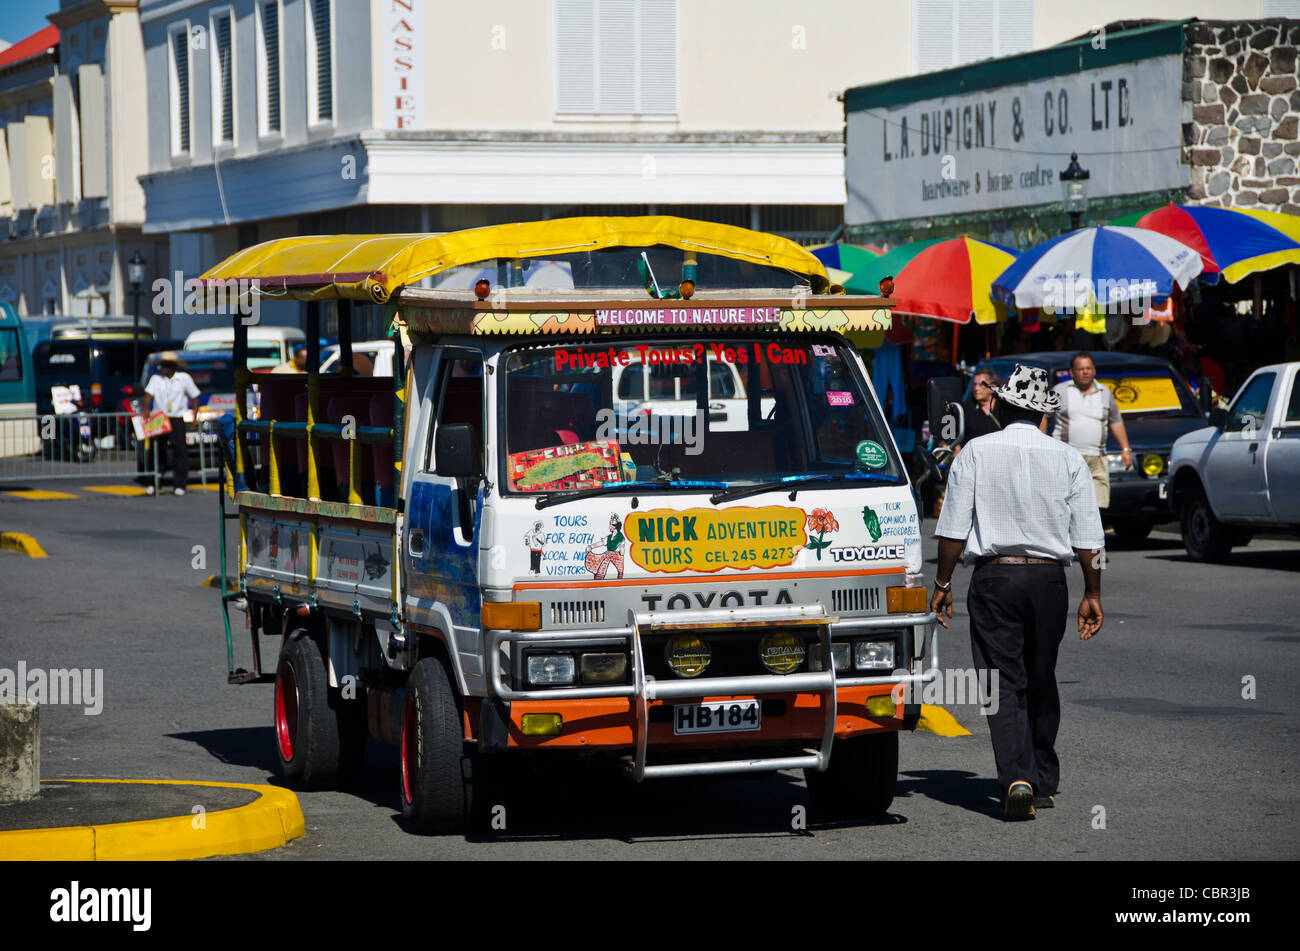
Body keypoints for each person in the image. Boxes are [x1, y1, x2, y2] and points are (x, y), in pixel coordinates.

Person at [931, 364, 1105, 821]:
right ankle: (1042, 779)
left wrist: (943, 583)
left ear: (1002, 408)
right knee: (1041, 674)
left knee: (1000, 682)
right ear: (1044, 416)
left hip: (994, 579)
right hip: (1049, 582)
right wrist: (1092, 592)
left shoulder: (975, 453)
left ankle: (1017, 778)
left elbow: (952, 528)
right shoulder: (1068, 458)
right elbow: (1090, 537)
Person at [1051, 352, 1133, 510]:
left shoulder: (1104, 392)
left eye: (1088, 368)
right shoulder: (1060, 390)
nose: (1085, 372)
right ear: (1072, 372)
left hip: (1097, 458)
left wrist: (1126, 449)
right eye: (1080, 369)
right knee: (1067, 505)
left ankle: (1093, 534)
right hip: (1067, 457)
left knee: (1098, 506)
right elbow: (1044, 416)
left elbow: (1115, 420)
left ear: (1094, 370)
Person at [140, 351, 200, 496]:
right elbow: (148, 395)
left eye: (165, 365)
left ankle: (180, 484)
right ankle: (153, 483)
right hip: (159, 418)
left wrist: (194, 417)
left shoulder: (184, 378)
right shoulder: (155, 379)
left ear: (172, 366)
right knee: (156, 450)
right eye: (161, 365)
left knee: (180, 451)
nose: (162, 368)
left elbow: (195, 396)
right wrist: (146, 409)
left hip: (176, 418)